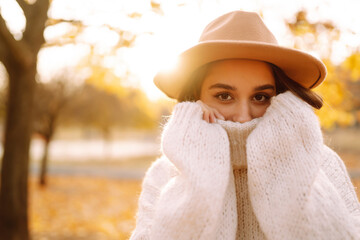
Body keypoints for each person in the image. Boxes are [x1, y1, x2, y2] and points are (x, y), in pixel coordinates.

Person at [129, 11, 360, 240]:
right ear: (195, 98)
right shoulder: (166, 172)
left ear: (280, 98)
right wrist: (199, 167)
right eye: (224, 96)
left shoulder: (321, 162)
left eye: (260, 97)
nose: (243, 117)